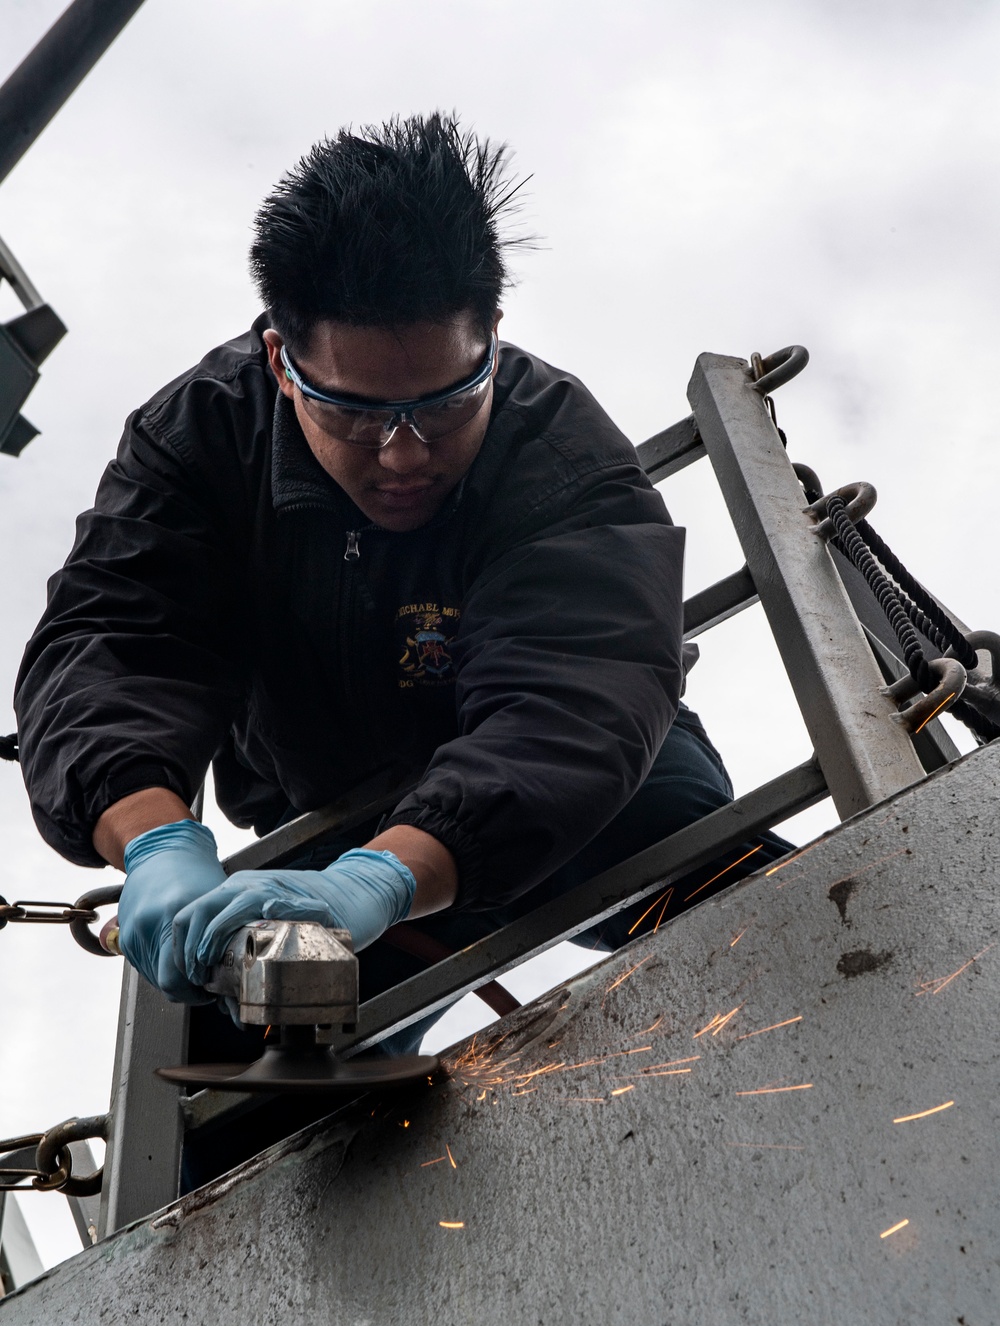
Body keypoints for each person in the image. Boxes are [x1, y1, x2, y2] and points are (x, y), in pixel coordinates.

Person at [14, 113, 786, 1051]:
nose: (405, 453)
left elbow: (572, 699)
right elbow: (117, 644)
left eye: (446, 403)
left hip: (578, 791)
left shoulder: (561, 451)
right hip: (326, 832)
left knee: (775, 940)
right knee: (230, 1083)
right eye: (356, 412)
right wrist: (153, 841)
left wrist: (378, 883)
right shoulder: (198, 440)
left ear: (492, 335)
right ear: (280, 363)